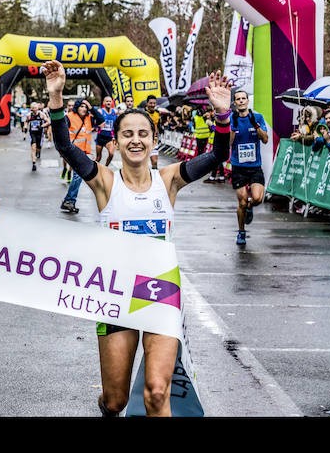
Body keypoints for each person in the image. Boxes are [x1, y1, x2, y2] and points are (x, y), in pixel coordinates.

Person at [41, 59, 231, 417]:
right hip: (115, 293)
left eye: (143, 134)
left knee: (157, 392)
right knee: (116, 400)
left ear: (154, 140)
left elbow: (219, 154)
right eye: (127, 134)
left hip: (161, 291)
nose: (136, 140)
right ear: (116, 141)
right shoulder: (104, 181)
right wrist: (55, 98)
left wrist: (222, 115)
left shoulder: (169, 179)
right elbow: (65, 146)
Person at [229, 89, 269, 248]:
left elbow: (265, 139)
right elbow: (228, 143)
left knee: (257, 198)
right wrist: (233, 128)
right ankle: (241, 231)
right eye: (238, 99)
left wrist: (256, 125)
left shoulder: (257, 117)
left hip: (254, 166)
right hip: (238, 167)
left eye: (243, 98)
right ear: (234, 103)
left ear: (247, 101)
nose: (241, 101)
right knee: (242, 201)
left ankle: (250, 208)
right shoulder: (232, 118)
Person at [60, 99, 95, 213]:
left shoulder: (88, 117)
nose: (84, 109)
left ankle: (69, 201)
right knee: (78, 176)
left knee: (78, 176)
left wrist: (91, 107)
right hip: (73, 151)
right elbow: (61, 132)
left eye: (86, 107)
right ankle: (69, 201)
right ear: (77, 107)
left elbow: (101, 120)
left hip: (83, 152)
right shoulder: (69, 117)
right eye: (82, 106)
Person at [93, 96, 117, 166]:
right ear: (104, 103)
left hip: (109, 138)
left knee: (111, 154)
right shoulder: (100, 111)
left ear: (112, 102)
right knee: (98, 157)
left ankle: (106, 167)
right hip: (100, 137)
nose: (108, 103)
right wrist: (96, 125)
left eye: (110, 101)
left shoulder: (115, 112)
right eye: (107, 101)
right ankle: (95, 169)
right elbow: (93, 118)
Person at [27, 102, 48, 171]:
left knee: (38, 147)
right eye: (33, 108)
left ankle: (38, 152)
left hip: (39, 133)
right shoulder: (29, 115)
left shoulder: (41, 114)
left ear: (38, 108)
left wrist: (42, 126)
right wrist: (25, 127)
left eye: (35, 108)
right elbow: (26, 121)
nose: (34, 110)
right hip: (32, 133)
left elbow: (48, 122)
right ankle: (34, 163)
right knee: (33, 147)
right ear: (31, 109)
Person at [144, 95, 161, 170]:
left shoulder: (157, 113)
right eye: (151, 103)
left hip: (154, 140)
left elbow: (158, 125)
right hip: (144, 140)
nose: (152, 105)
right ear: (147, 103)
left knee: (154, 161)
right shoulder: (143, 113)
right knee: (142, 162)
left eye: (154, 103)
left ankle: (154, 175)